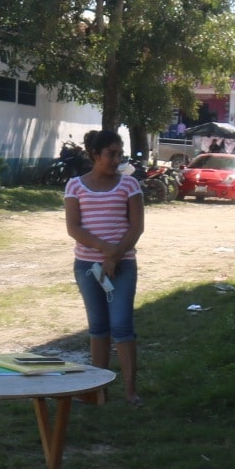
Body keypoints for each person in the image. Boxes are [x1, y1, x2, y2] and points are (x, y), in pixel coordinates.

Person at [65, 129, 145, 405]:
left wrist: (115, 255)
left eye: (119, 153)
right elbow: (73, 228)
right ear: (94, 155)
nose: (116, 160)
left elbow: (137, 227)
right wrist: (105, 250)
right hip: (88, 267)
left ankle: (130, 391)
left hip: (122, 266)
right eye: (111, 154)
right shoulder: (75, 186)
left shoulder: (129, 186)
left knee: (122, 326)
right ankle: (97, 390)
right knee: (98, 328)